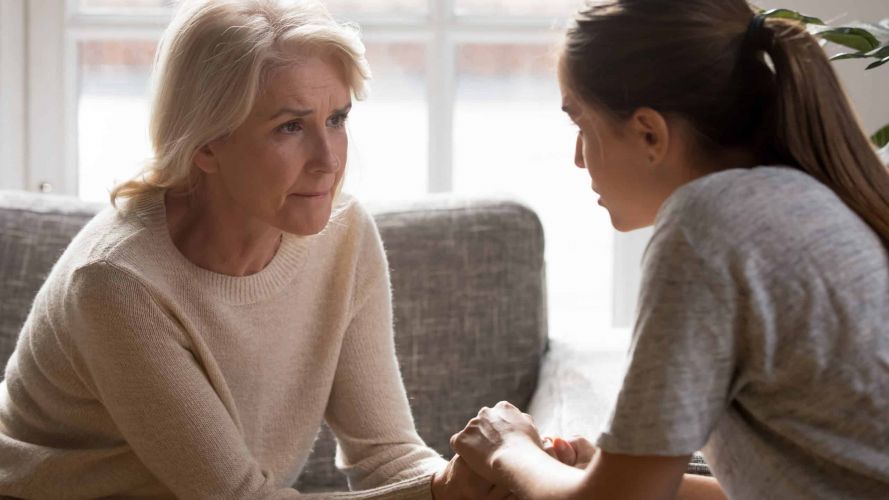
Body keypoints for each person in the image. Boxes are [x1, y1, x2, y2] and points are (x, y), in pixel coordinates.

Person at [0, 0, 512, 498]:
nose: (328, 161)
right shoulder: (116, 282)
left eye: (336, 119)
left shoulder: (344, 234)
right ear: (204, 144)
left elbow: (386, 455)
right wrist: (446, 491)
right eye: (290, 127)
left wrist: (484, 484)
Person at [450, 0, 889, 499]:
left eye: (580, 124)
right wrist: (612, 472)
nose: (577, 158)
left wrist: (507, 449)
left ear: (649, 133)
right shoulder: (801, 200)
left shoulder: (707, 225)